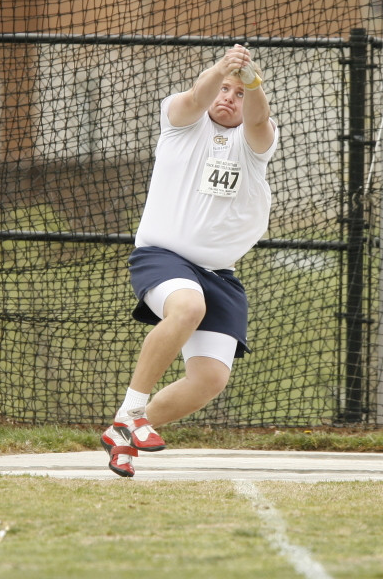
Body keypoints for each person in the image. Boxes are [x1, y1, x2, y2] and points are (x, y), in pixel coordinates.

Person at [101, 43, 278, 477]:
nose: (227, 97)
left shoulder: (256, 142)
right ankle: (132, 410)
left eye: (238, 93)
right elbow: (198, 97)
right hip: (163, 257)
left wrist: (248, 78)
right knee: (188, 307)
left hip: (219, 274)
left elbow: (258, 118)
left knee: (209, 382)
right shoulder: (180, 121)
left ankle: (123, 433)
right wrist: (223, 68)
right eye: (224, 89)